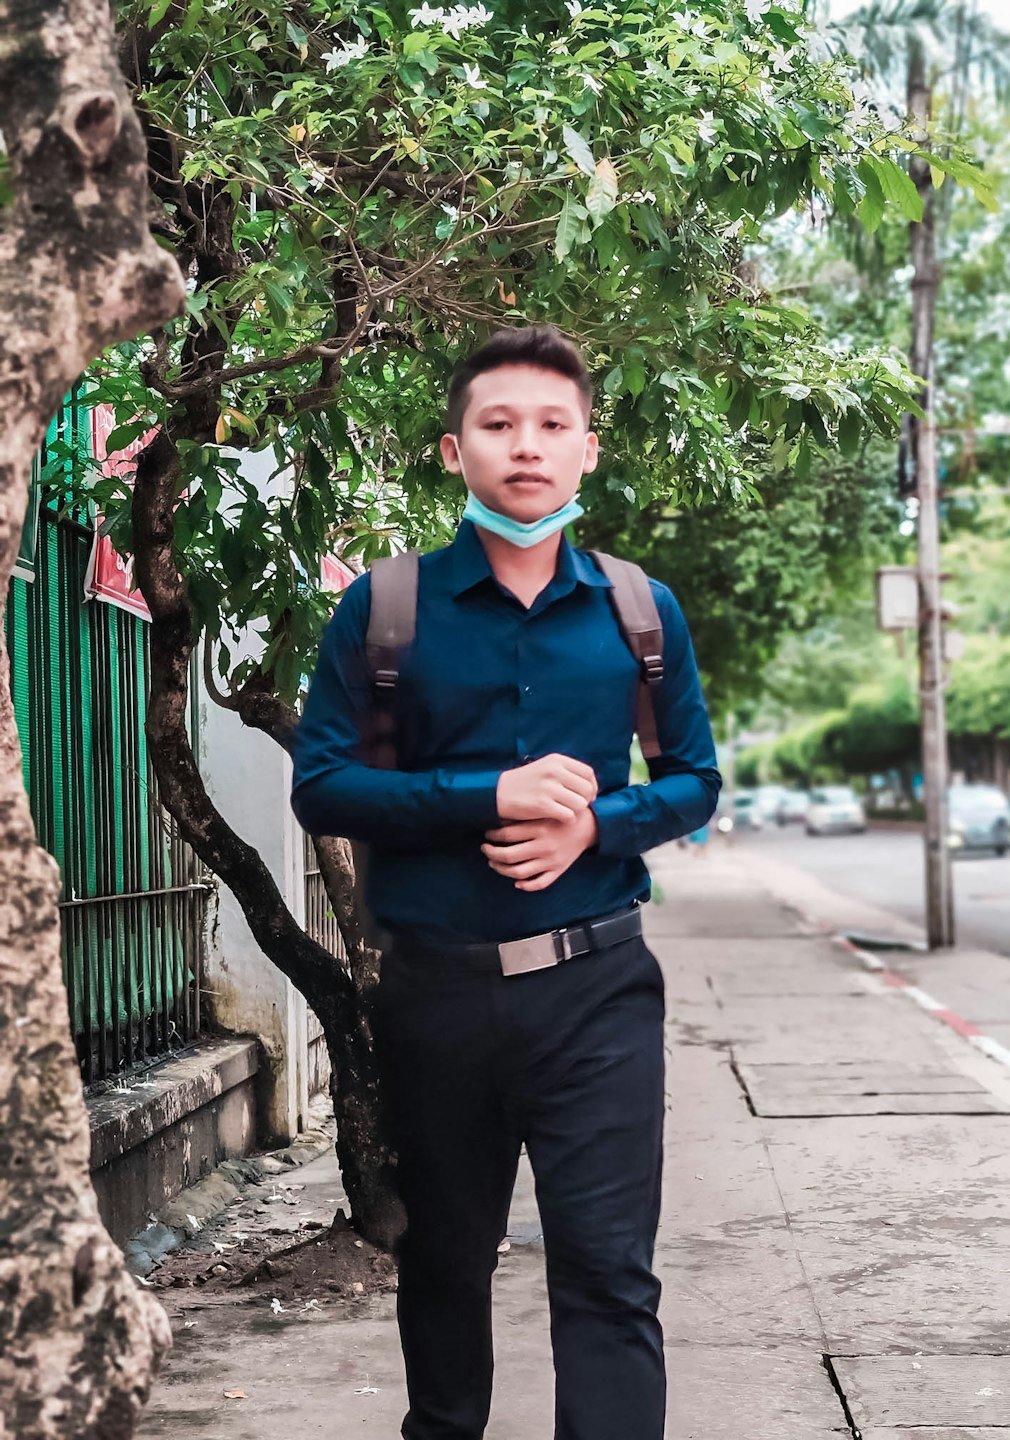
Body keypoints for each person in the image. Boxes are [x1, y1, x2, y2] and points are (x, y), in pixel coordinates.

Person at [290, 324, 720, 1440]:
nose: (526, 445)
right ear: (455, 450)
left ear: (588, 449)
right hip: (436, 996)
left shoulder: (639, 610)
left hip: (598, 991)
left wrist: (595, 828)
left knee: (610, 1276)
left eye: (551, 424)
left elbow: (694, 781)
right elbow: (323, 788)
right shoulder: (386, 609)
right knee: (444, 1265)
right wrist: (488, 794)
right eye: (498, 424)